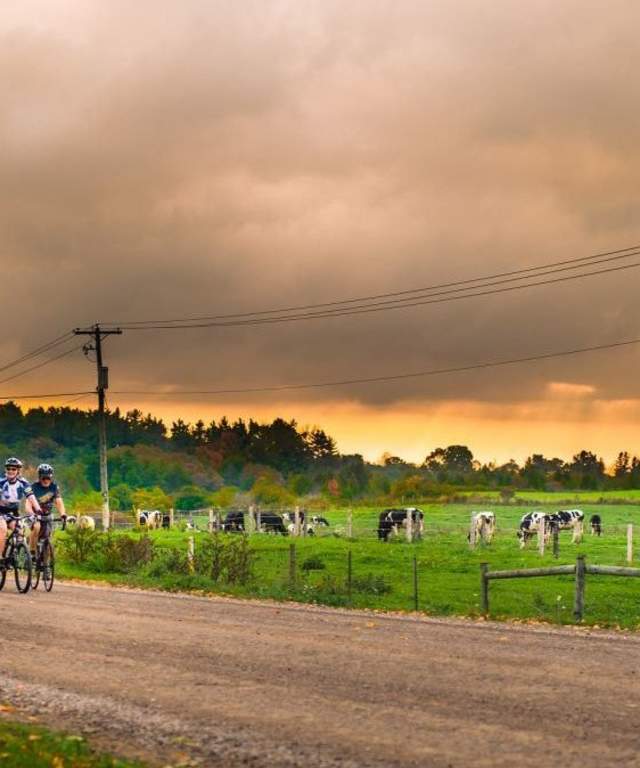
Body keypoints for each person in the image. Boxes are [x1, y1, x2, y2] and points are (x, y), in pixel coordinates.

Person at [0, 457, 41, 560]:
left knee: (20, 532)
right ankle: (0, 557)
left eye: (13, 469)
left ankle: (14, 556)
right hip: (0, 512)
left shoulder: (23, 483)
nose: (10, 471)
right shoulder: (1, 481)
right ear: (5, 470)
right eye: (8, 469)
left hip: (13, 512)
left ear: (18, 471)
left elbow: (31, 497)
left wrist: (38, 509)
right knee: (3, 529)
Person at [29, 463, 66, 557]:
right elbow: (28, 504)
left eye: (48, 478)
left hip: (47, 515)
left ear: (51, 477)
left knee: (48, 538)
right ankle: (32, 553)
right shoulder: (33, 487)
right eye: (43, 478)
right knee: (36, 527)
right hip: (35, 515)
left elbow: (59, 502)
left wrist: (63, 514)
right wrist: (32, 514)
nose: (46, 480)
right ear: (39, 477)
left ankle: (46, 563)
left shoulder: (54, 487)